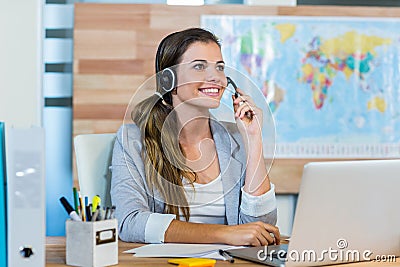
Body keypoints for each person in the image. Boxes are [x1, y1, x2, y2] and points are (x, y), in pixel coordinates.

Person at [111, 27, 280, 246]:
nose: (215, 78)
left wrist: (254, 138)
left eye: (219, 67)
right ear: (167, 81)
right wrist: (223, 234)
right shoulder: (133, 142)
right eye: (199, 66)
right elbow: (129, 221)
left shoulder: (236, 139)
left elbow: (262, 229)